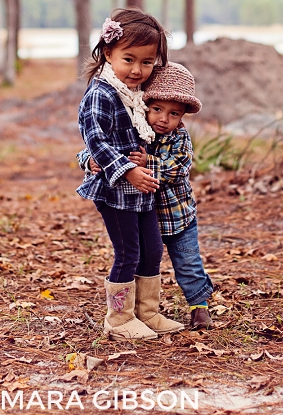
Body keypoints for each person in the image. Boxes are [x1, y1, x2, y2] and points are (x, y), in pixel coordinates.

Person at [80, 62, 214, 330]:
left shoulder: (178, 137)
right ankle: (129, 315)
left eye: (174, 114)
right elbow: (105, 145)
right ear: (146, 105)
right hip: (146, 211)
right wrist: (88, 160)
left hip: (177, 216)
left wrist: (147, 163)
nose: (164, 119)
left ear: (183, 116)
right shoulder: (139, 126)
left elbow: (179, 167)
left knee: (186, 261)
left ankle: (199, 307)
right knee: (139, 255)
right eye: (157, 110)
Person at [77, 8, 183, 340]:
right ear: (108, 53)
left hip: (142, 190)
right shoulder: (101, 92)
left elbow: (146, 132)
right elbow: (95, 139)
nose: (137, 70)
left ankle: (147, 312)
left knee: (152, 249)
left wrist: (147, 159)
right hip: (115, 191)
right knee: (128, 253)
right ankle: (119, 318)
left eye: (147, 62)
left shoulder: (138, 94)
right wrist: (127, 171)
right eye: (129, 59)